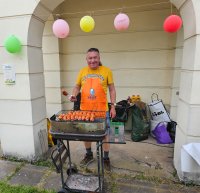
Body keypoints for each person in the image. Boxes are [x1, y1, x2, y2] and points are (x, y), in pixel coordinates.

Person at [69, 48, 116, 171]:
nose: (93, 60)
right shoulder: (82, 71)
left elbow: (112, 89)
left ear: (99, 58)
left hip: (102, 110)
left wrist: (113, 106)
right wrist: (74, 94)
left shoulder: (107, 71)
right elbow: (77, 86)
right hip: (85, 110)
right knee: (86, 134)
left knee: (105, 135)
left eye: (95, 57)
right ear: (86, 59)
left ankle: (106, 158)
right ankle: (89, 154)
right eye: (90, 58)